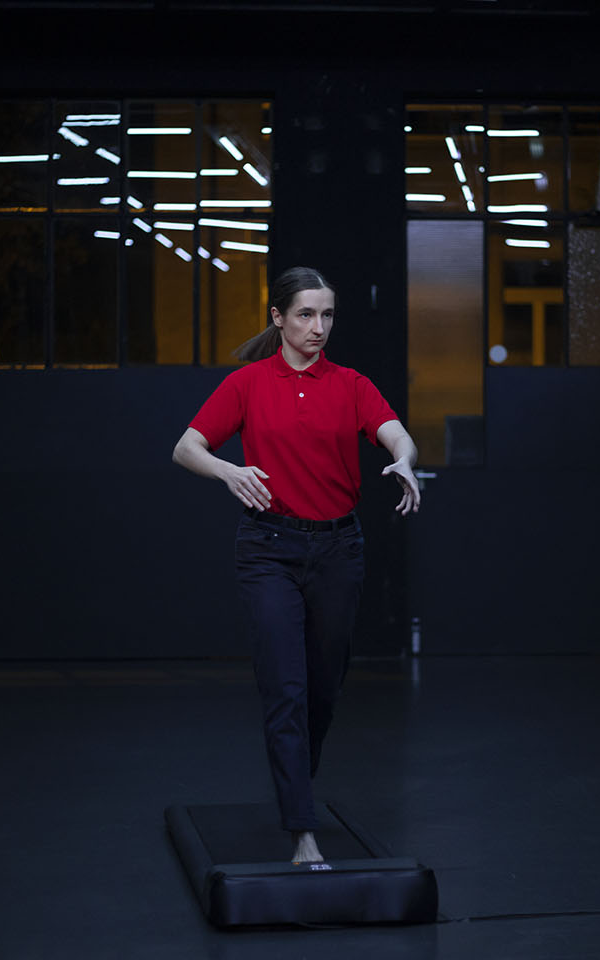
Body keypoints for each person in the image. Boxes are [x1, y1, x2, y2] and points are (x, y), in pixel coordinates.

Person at [172, 266, 421, 864]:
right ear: (278, 318)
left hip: (338, 551)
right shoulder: (250, 384)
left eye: (327, 315)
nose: (318, 327)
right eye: (306, 315)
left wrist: (405, 460)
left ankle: (295, 784)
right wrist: (229, 470)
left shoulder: (351, 384)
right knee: (285, 688)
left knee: (324, 690)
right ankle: (302, 832)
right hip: (269, 550)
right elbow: (186, 447)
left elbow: (396, 435)